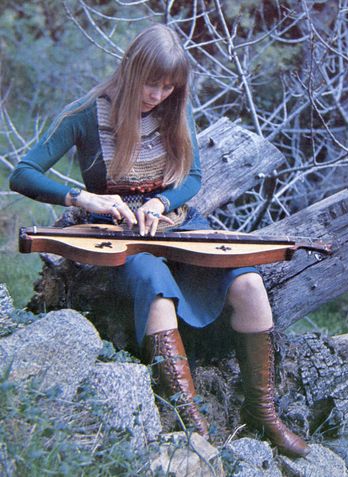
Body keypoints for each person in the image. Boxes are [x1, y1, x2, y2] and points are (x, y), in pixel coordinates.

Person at [9, 24, 310, 458]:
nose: (159, 95)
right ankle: (193, 422)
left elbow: (195, 178)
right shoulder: (86, 112)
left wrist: (161, 202)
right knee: (155, 286)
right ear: (132, 70)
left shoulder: (174, 108)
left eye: (169, 87)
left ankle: (264, 413)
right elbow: (23, 173)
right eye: (153, 83)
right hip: (120, 235)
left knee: (248, 283)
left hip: (178, 222)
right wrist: (83, 197)